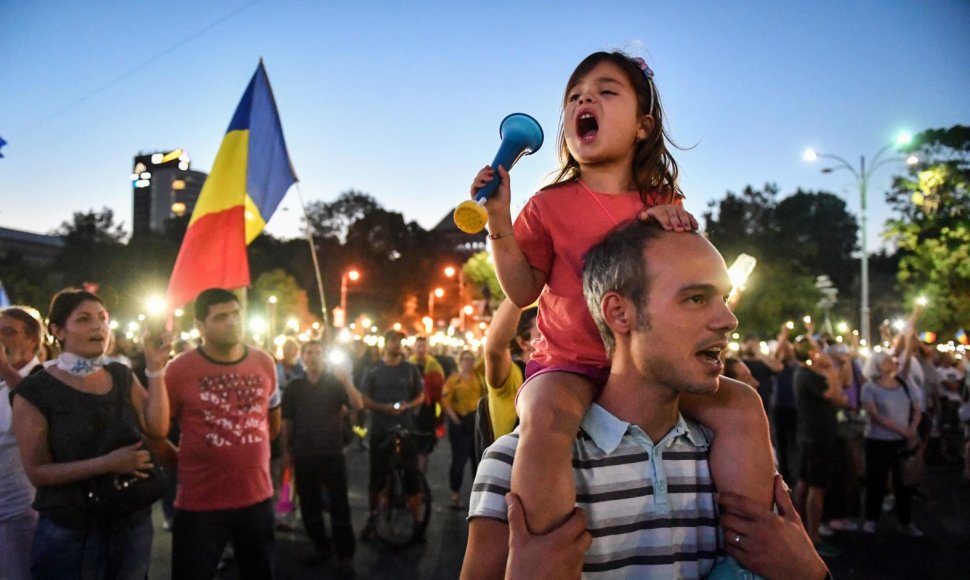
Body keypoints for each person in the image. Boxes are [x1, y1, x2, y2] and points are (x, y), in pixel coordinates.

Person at [470, 49, 774, 534]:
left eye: (607, 91)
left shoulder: (665, 202)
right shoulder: (548, 204)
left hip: (648, 367)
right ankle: (542, 551)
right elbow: (523, 290)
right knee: (546, 418)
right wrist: (499, 222)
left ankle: (751, 545)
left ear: (643, 126)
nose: (585, 97)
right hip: (567, 363)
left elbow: (686, 277)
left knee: (741, 406)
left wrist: (673, 229)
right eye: (575, 96)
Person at [463, 221, 826, 579]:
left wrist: (810, 574)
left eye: (725, 299)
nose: (728, 320)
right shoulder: (514, 468)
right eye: (696, 298)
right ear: (620, 313)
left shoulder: (738, 456)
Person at [12, 289, 171, 579]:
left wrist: (155, 368)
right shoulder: (35, 391)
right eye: (84, 319)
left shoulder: (120, 375)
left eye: (103, 318)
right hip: (71, 529)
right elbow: (38, 472)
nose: (98, 326)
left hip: (131, 520)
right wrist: (109, 464)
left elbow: (157, 427)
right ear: (58, 330)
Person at [164, 288, 281, 579]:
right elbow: (155, 430)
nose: (231, 322)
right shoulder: (178, 370)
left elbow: (273, 421)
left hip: (257, 501)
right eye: (220, 317)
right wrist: (179, 461)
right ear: (200, 326)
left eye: (236, 314)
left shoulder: (264, 362)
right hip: (199, 505)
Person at [281, 340, 363, 576]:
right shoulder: (294, 387)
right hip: (304, 453)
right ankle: (321, 546)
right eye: (309, 353)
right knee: (309, 504)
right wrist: (286, 450)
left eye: (318, 352)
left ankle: (345, 554)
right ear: (303, 358)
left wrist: (346, 379)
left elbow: (358, 404)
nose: (314, 357)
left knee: (340, 505)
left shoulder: (335, 384)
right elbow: (288, 422)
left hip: (332, 453)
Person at [358, 330, 424, 541]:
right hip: (380, 429)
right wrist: (383, 408)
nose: (397, 345)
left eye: (399, 342)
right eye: (393, 341)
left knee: (412, 477)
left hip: (406, 428)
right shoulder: (373, 370)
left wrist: (408, 405)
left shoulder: (410, 369)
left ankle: (417, 521)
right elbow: (363, 399)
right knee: (377, 477)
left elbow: (420, 395)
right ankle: (373, 517)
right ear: (386, 344)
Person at [792, 333, 848, 558]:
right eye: (818, 348)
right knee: (817, 487)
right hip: (819, 438)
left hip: (811, 436)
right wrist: (831, 370)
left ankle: (800, 528)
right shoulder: (808, 376)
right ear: (812, 353)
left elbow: (843, 388)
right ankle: (814, 537)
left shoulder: (806, 373)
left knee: (805, 483)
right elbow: (837, 398)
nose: (824, 352)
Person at [859, 351, 923, 536]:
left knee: (903, 482)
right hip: (878, 440)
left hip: (902, 441)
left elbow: (917, 408)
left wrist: (912, 428)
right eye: (887, 360)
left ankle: (905, 520)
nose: (892, 362)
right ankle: (871, 518)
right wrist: (904, 430)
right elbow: (875, 416)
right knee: (876, 481)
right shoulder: (869, 388)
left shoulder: (905, 384)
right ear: (878, 366)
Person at [0, 306, 43, 580]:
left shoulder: (45, 378)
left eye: (8, 332)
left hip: (24, 512)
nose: (0, 339)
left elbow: (38, 409)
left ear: (33, 340)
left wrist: (5, 370)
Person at [442, 349, 485, 508]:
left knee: (477, 461)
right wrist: (457, 421)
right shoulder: (454, 380)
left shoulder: (479, 378)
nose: (468, 363)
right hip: (460, 423)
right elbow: (446, 402)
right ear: (460, 362)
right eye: (465, 359)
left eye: (471, 359)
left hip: (475, 423)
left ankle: (477, 496)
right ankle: (455, 494)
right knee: (458, 461)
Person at [409, 335, 445, 473]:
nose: (421, 349)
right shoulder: (408, 365)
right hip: (410, 410)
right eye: (418, 346)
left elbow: (440, 391)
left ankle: (421, 478)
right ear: (414, 348)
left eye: (423, 346)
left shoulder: (435, 366)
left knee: (424, 449)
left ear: (428, 348)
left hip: (427, 411)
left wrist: (439, 416)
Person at [741, 332, 783, 409]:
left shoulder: (764, 361)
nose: (752, 348)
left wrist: (759, 354)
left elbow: (778, 368)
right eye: (749, 345)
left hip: (765, 400)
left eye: (754, 345)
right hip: (746, 400)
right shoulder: (740, 363)